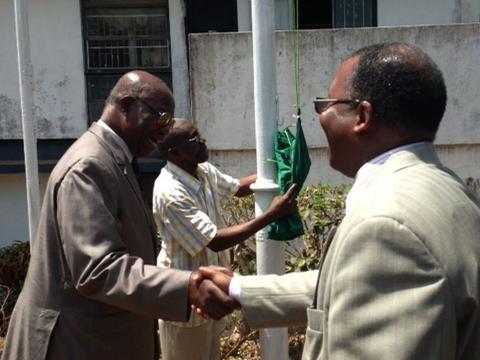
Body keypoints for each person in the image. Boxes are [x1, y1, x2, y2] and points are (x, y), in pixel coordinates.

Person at [199, 42, 480, 359]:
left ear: (362, 115)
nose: (320, 116)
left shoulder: (383, 226)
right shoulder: (449, 190)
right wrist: (241, 289)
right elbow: (361, 281)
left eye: (324, 103)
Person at [1, 71, 238, 360]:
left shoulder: (115, 159)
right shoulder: (89, 166)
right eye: (161, 118)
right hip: (75, 344)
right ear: (126, 105)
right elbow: (97, 268)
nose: (164, 132)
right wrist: (185, 287)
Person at [152, 120, 298, 360]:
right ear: (173, 153)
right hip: (185, 304)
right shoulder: (170, 192)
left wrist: (279, 169)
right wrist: (271, 215)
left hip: (209, 297)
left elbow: (238, 188)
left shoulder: (201, 170)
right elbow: (214, 240)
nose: (202, 141)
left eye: (199, 134)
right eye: (193, 139)